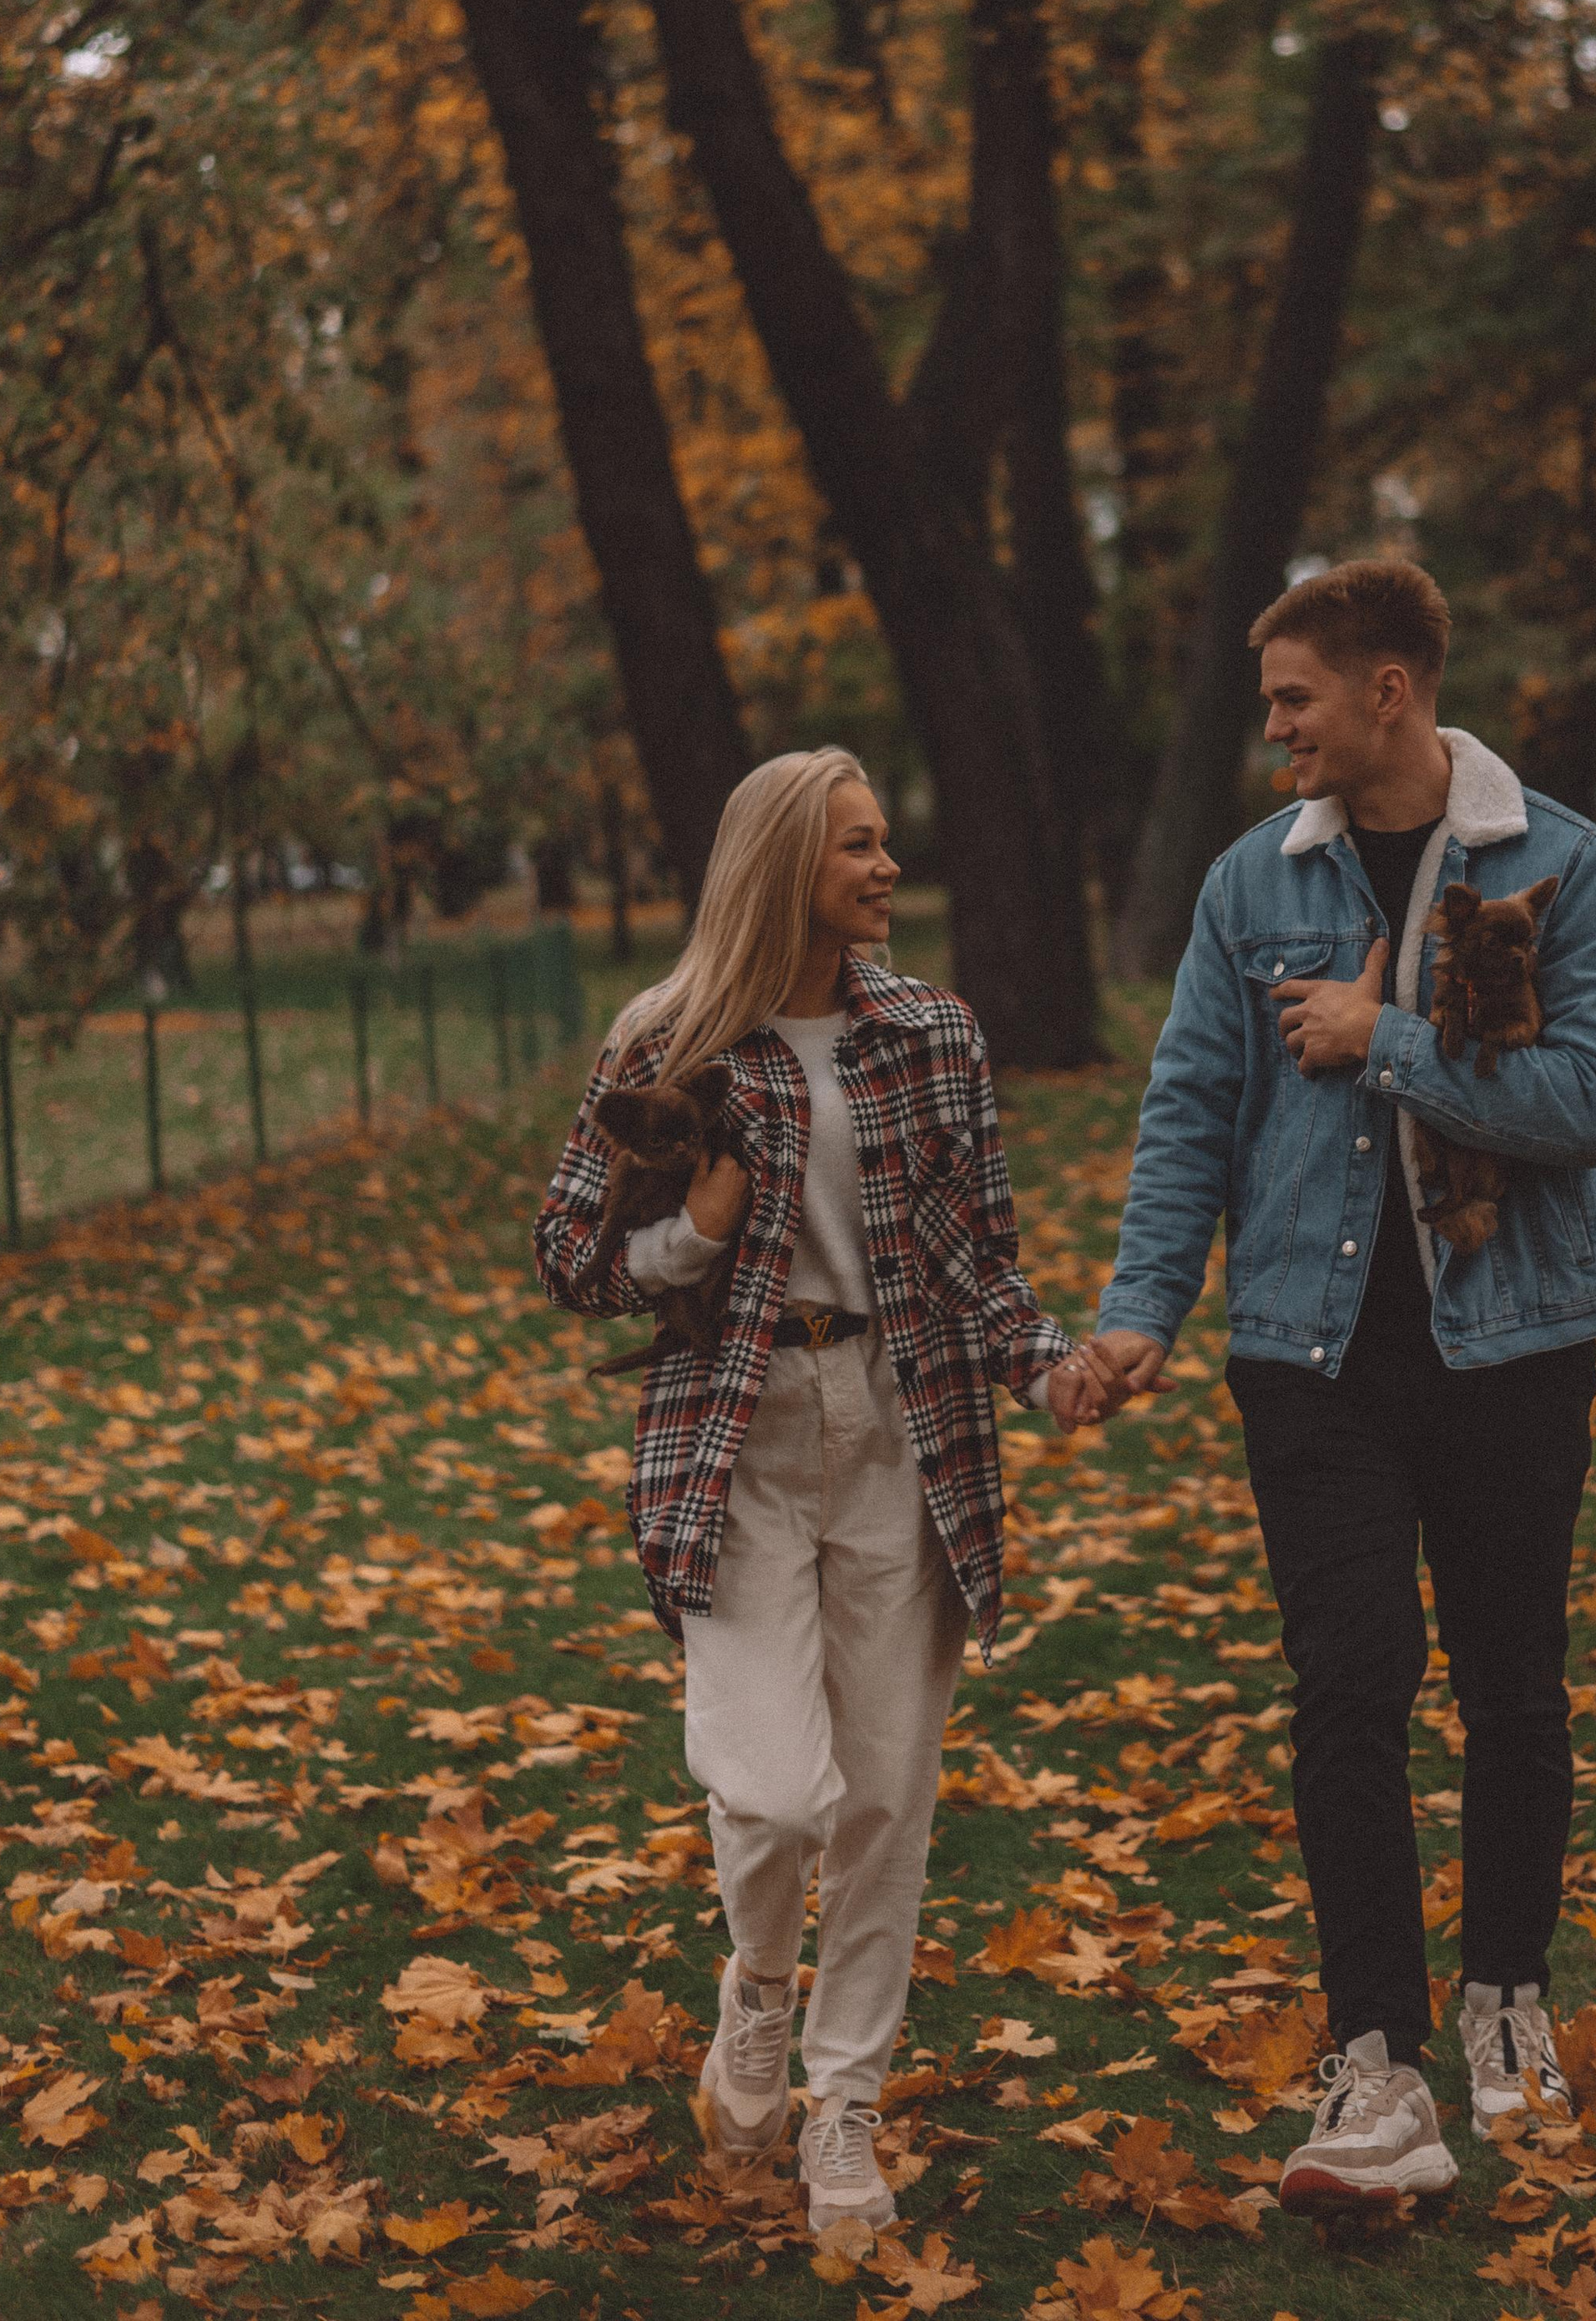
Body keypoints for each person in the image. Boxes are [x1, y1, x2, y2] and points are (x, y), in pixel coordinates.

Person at [1082, 561, 1596, 2217]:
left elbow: (1587, 1102)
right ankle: (1375, 2049)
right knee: (1348, 1682)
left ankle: (1501, 1991)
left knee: (1508, 1683)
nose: (1275, 730)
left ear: (1386, 689)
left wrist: (1384, 1033)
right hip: (1306, 1358)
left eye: (1294, 698)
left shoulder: (1564, 866)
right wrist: (1140, 1312)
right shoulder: (1250, 884)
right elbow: (1190, 1107)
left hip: (1512, 1343)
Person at [533, 751, 1101, 2233]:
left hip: (903, 1430)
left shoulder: (932, 1033)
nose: (887, 864)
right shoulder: (670, 1040)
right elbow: (573, 1256)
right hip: (738, 1432)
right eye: (857, 844)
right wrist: (695, 1235)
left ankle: (843, 2110)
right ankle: (758, 1998)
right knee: (776, 1792)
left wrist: (1044, 1366)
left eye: (885, 838)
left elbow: (979, 1254)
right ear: (786, 861)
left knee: (889, 1799)